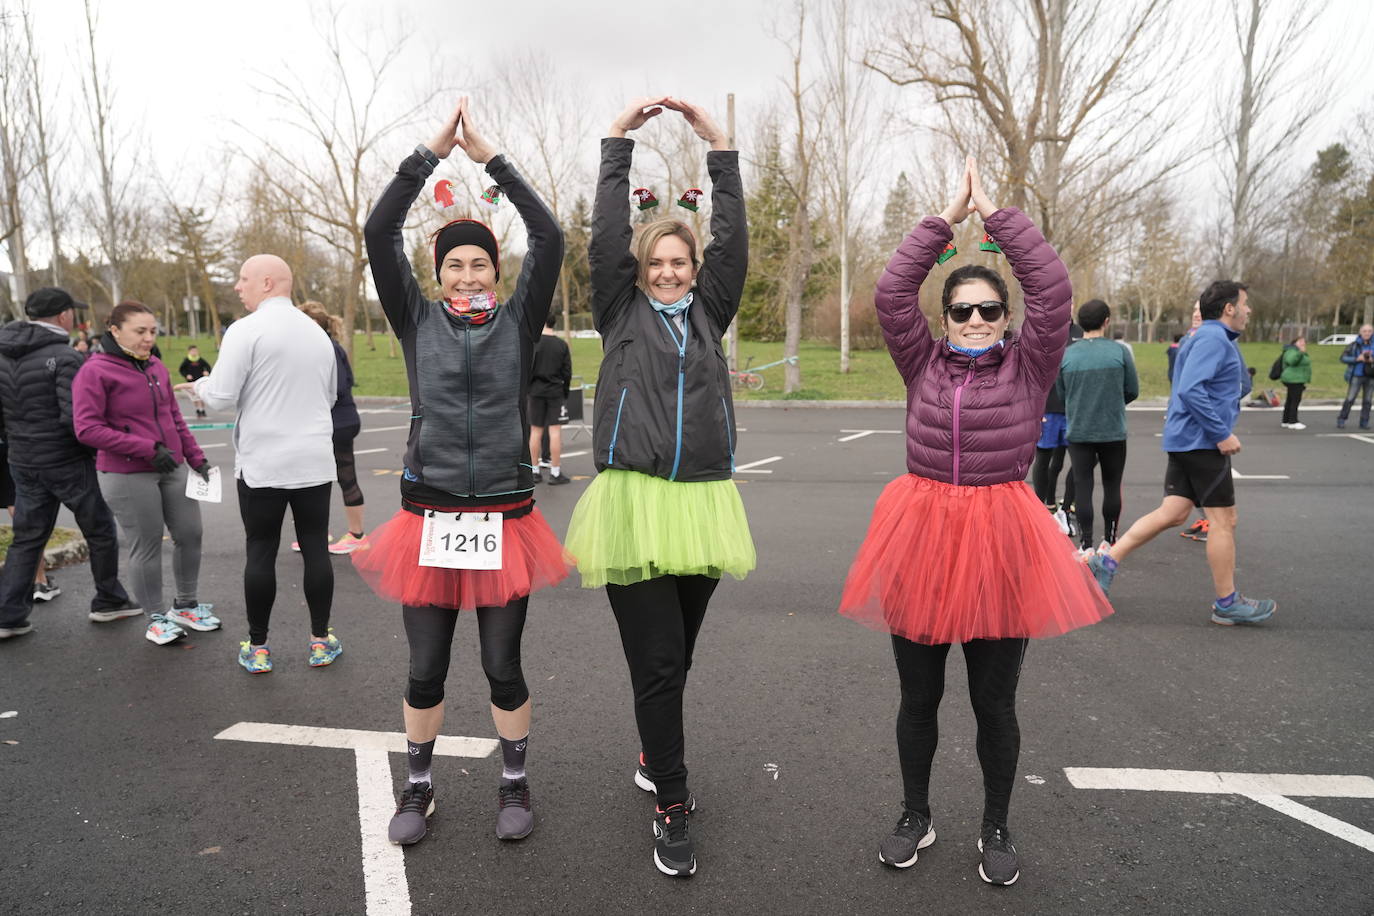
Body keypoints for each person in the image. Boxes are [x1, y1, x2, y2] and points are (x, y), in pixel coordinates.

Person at [838, 158, 1112, 887]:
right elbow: (892, 291)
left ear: (1004, 318)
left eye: (990, 309)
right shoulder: (920, 361)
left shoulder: (1029, 364)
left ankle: (996, 824)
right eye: (962, 309)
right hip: (921, 535)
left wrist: (997, 220)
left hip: (1000, 539)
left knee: (994, 699)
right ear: (946, 317)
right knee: (918, 696)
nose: (976, 320)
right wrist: (943, 221)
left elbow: (1052, 291)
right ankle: (915, 814)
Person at [355, 96, 568, 848]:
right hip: (429, 519)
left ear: (497, 272)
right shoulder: (416, 321)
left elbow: (551, 233)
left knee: (503, 666)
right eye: (456, 263)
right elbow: (378, 231)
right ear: (439, 275)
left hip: (505, 521)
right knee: (425, 668)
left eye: (481, 262)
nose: (469, 272)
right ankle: (419, 789)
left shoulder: (517, 320)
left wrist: (492, 161)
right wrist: (429, 157)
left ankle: (514, 779)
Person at [563, 96, 755, 879]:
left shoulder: (710, 311)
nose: (669, 272)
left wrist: (722, 151)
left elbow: (735, 243)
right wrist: (616, 146)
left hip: (704, 503)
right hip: (634, 502)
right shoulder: (620, 312)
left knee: (679, 655)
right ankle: (671, 802)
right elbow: (606, 240)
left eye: (680, 262)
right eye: (657, 264)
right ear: (640, 273)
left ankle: (653, 748)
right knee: (659, 662)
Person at [181, 255, 341, 672]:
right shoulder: (318, 334)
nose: (237, 286)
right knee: (316, 547)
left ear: (268, 282)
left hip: (263, 463)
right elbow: (330, 397)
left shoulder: (245, 330)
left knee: (261, 551)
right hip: (313, 460)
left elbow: (220, 396)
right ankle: (320, 641)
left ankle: (259, 647)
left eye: (243, 278)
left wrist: (198, 386)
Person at [1087, 281, 1276, 626]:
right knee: (1224, 521)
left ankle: (1107, 561)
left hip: (1187, 439)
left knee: (1173, 513)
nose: (1249, 310)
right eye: (1245, 304)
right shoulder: (1212, 338)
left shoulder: (1212, 338)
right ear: (1229, 308)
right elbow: (1190, 389)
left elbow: (1234, 385)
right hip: (1202, 442)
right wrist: (1221, 433)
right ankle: (1227, 603)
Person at [72, 300, 218, 645]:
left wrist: (196, 458)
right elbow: (86, 429)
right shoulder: (95, 371)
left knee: (190, 533)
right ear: (115, 330)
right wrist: (147, 449)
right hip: (127, 473)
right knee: (147, 545)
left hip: (172, 466)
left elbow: (173, 417)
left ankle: (185, 605)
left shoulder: (155, 366)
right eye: (140, 331)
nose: (148, 338)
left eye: (152, 331)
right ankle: (156, 619)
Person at [0, 287, 139, 640]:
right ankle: (109, 599)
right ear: (63, 316)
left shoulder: (4, 352)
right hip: (66, 460)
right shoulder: (64, 357)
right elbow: (75, 419)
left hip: (23, 459)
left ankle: (9, 614)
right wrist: (97, 454)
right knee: (100, 531)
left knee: (27, 538)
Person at [1056, 299, 1138, 551]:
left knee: (1083, 486)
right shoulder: (1120, 351)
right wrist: (1113, 404)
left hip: (1080, 431)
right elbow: (1132, 390)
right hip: (1112, 430)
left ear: (1080, 323)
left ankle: (1086, 544)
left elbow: (1062, 395)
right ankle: (1110, 541)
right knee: (1112, 485)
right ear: (1107, 321)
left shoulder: (1068, 355)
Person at [293, 302, 367, 555]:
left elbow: (335, 387)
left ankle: (356, 535)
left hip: (337, 422)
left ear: (313, 326)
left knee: (341, 477)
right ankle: (317, 535)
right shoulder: (325, 346)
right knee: (317, 478)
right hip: (335, 421)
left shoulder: (325, 348)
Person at [1029, 322, 1082, 537]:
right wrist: (1035, 405)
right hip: (1048, 408)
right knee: (1044, 459)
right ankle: (1041, 508)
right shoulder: (1043, 331)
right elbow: (1033, 371)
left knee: (1073, 461)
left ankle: (1064, 507)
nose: (1067, 306)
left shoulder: (1080, 333)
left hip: (1073, 408)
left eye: (1070, 302)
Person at [528, 313, 572, 486]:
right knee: (555, 433)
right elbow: (567, 372)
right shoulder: (561, 345)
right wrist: (565, 392)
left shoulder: (534, 344)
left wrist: (529, 388)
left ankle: (534, 471)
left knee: (535, 432)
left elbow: (528, 369)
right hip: (555, 392)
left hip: (536, 392)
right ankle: (555, 472)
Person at [1336, 323, 1374, 430]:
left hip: (1371, 376)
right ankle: (1342, 419)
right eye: (1365, 331)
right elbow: (1343, 358)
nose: (1367, 333)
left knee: (1367, 400)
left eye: (1369, 331)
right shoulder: (1354, 345)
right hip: (1357, 375)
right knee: (1350, 398)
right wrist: (1357, 359)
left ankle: (1364, 422)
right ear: (1360, 332)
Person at [1278, 336, 1311, 430]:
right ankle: (1293, 421)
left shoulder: (1297, 352)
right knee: (1295, 400)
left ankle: (1286, 420)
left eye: (1304, 341)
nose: (1302, 343)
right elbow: (1291, 361)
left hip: (1297, 378)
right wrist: (1301, 352)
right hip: (1293, 379)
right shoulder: (1291, 351)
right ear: (1294, 343)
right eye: (1300, 341)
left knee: (1290, 400)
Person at [179, 345, 213, 418]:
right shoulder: (187, 361)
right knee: (194, 398)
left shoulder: (200, 360)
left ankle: (202, 410)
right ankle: (198, 409)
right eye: (193, 351)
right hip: (191, 383)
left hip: (200, 382)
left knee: (201, 397)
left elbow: (208, 367)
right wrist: (186, 375)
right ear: (189, 352)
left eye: (196, 351)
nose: (194, 352)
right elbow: (181, 370)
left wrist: (206, 372)